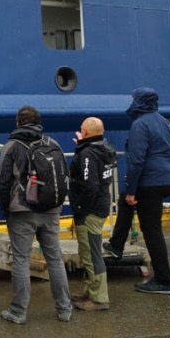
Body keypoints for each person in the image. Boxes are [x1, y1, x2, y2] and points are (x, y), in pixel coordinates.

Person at [0, 105, 72, 324]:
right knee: (55, 259)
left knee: (21, 260)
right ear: (39, 122)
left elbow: (3, 183)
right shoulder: (53, 144)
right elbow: (63, 175)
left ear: (18, 123)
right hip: (51, 210)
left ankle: (19, 312)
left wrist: (6, 209)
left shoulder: (12, 146)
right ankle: (64, 309)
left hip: (22, 212)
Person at [103, 88, 170, 294]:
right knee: (126, 202)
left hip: (151, 182)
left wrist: (131, 190)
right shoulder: (164, 121)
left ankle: (163, 281)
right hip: (169, 178)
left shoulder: (140, 124)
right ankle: (117, 245)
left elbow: (136, 161)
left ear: (140, 101)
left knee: (152, 231)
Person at [68, 117, 115, 311]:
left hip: (90, 211)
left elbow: (90, 184)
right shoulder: (105, 148)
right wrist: (82, 146)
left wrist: (80, 210)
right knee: (87, 252)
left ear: (86, 132)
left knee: (91, 254)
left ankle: (99, 299)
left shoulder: (88, 154)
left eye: (81, 130)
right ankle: (90, 290)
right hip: (101, 205)